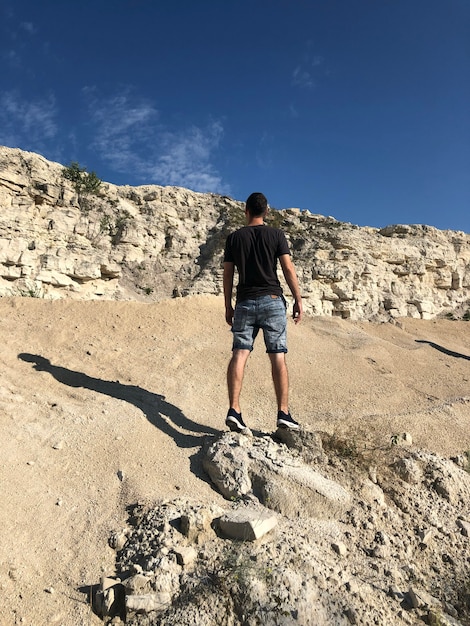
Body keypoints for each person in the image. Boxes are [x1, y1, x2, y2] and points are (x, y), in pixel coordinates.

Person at [223, 192, 303, 434]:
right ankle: (283, 413)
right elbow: (287, 267)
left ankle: (234, 410)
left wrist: (228, 305)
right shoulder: (276, 234)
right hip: (271, 300)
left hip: (245, 302)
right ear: (266, 211)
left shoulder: (234, 238)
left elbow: (228, 274)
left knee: (240, 353)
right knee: (277, 355)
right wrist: (298, 299)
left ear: (246, 211)